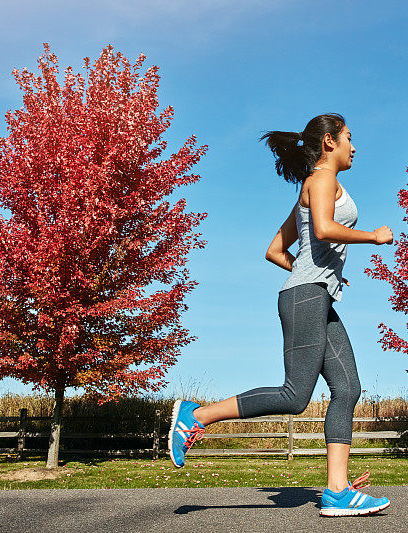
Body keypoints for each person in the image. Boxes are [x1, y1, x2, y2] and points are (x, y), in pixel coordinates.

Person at [168, 113, 393, 517]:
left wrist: (315, 275)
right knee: (295, 395)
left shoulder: (315, 185)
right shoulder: (320, 180)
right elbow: (323, 230)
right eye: (348, 138)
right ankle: (196, 414)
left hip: (315, 295)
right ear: (329, 142)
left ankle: (337, 490)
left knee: (347, 388)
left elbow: (275, 250)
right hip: (307, 297)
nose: (353, 146)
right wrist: (372, 236)